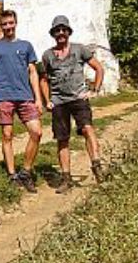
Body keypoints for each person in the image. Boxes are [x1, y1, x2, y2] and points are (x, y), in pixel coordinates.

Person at [39, 15, 105, 193]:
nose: (61, 33)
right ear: (53, 33)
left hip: (78, 99)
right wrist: (48, 101)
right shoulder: (47, 55)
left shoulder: (79, 49)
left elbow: (98, 68)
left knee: (87, 129)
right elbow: (43, 80)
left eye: (64, 30)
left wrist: (94, 89)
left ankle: (97, 166)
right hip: (59, 102)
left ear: (68, 32)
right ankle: (66, 178)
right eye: (57, 30)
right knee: (62, 139)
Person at [0, 9, 43, 192]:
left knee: (36, 132)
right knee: (7, 135)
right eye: (4, 24)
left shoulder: (26, 46)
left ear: (16, 23)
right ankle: (12, 174)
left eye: (10, 23)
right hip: (3, 95)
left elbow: (33, 72)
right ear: (0, 25)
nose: (8, 26)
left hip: (25, 96)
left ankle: (26, 171)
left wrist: (38, 98)